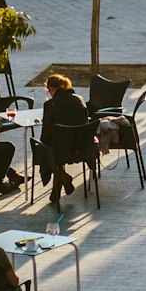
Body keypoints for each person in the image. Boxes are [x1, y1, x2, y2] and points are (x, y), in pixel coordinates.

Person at [40, 73, 91, 206]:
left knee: (44, 147)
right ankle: (58, 185)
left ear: (51, 89)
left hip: (60, 151)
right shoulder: (79, 99)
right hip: (82, 148)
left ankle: (62, 176)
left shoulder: (50, 105)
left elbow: (45, 134)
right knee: (55, 145)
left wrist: (41, 144)